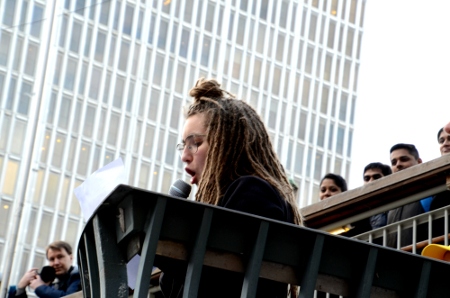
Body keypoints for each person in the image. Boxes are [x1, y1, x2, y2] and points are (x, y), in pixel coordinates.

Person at [158, 78, 301, 298]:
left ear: (227, 143)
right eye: (183, 146)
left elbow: (216, 283)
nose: (185, 156)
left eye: (195, 143)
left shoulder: (252, 193)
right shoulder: (232, 200)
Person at [387, 143, 431, 249]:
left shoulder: (430, 190)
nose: (398, 164)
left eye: (404, 159)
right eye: (394, 162)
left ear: (419, 162)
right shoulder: (390, 202)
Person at [8, 241, 81, 298]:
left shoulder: (79, 276)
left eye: (60, 257)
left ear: (71, 258)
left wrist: (40, 287)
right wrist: (20, 288)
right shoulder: (51, 282)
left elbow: (69, 297)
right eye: (52, 259)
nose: (56, 262)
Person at [363, 162, 392, 229]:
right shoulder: (359, 209)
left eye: (376, 177)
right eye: (367, 179)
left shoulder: (397, 202)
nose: (371, 181)